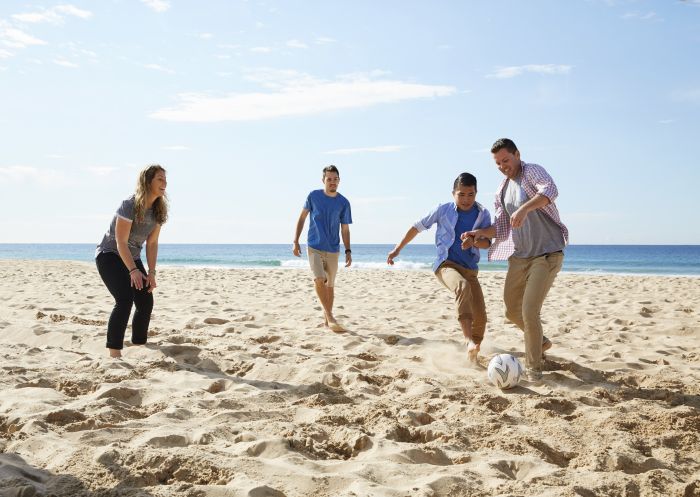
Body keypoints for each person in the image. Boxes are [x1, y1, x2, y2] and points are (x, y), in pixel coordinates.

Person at [463, 138, 568, 380]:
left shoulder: (532, 171)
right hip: (520, 257)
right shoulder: (501, 189)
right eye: (498, 163)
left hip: (547, 253)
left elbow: (550, 190)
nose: (503, 166)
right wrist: (478, 234)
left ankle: (534, 368)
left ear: (517, 154)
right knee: (512, 311)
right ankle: (539, 342)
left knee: (530, 311)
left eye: (506, 160)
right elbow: (500, 228)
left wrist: (524, 208)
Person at [387, 173, 492, 362]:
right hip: (446, 265)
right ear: (453, 193)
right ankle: (467, 340)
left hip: (470, 269)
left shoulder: (483, 214)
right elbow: (416, 227)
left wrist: (474, 241)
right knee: (462, 287)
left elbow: (487, 243)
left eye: (470, 194)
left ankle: (473, 353)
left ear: (476, 193)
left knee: (481, 317)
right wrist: (397, 249)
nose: (466, 199)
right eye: (461, 194)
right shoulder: (443, 210)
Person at [95, 165, 168, 358]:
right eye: (160, 179)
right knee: (125, 299)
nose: (165, 183)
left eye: (165, 179)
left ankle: (138, 345)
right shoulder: (129, 205)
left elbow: (152, 243)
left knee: (145, 301)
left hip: (132, 257)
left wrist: (151, 273)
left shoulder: (159, 210)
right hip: (109, 254)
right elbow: (120, 241)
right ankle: (114, 351)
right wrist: (133, 271)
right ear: (148, 181)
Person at [293, 165, 352, 332]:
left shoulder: (344, 203)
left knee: (330, 286)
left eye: (335, 179)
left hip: (333, 249)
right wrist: (295, 241)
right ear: (323, 180)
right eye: (329, 179)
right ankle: (330, 316)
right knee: (319, 279)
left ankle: (327, 321)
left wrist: (348, 250)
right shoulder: (313, 196)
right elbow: (302, 218)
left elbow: (345, 229)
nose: (332, 182)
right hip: (314, 246)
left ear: (339, 181)